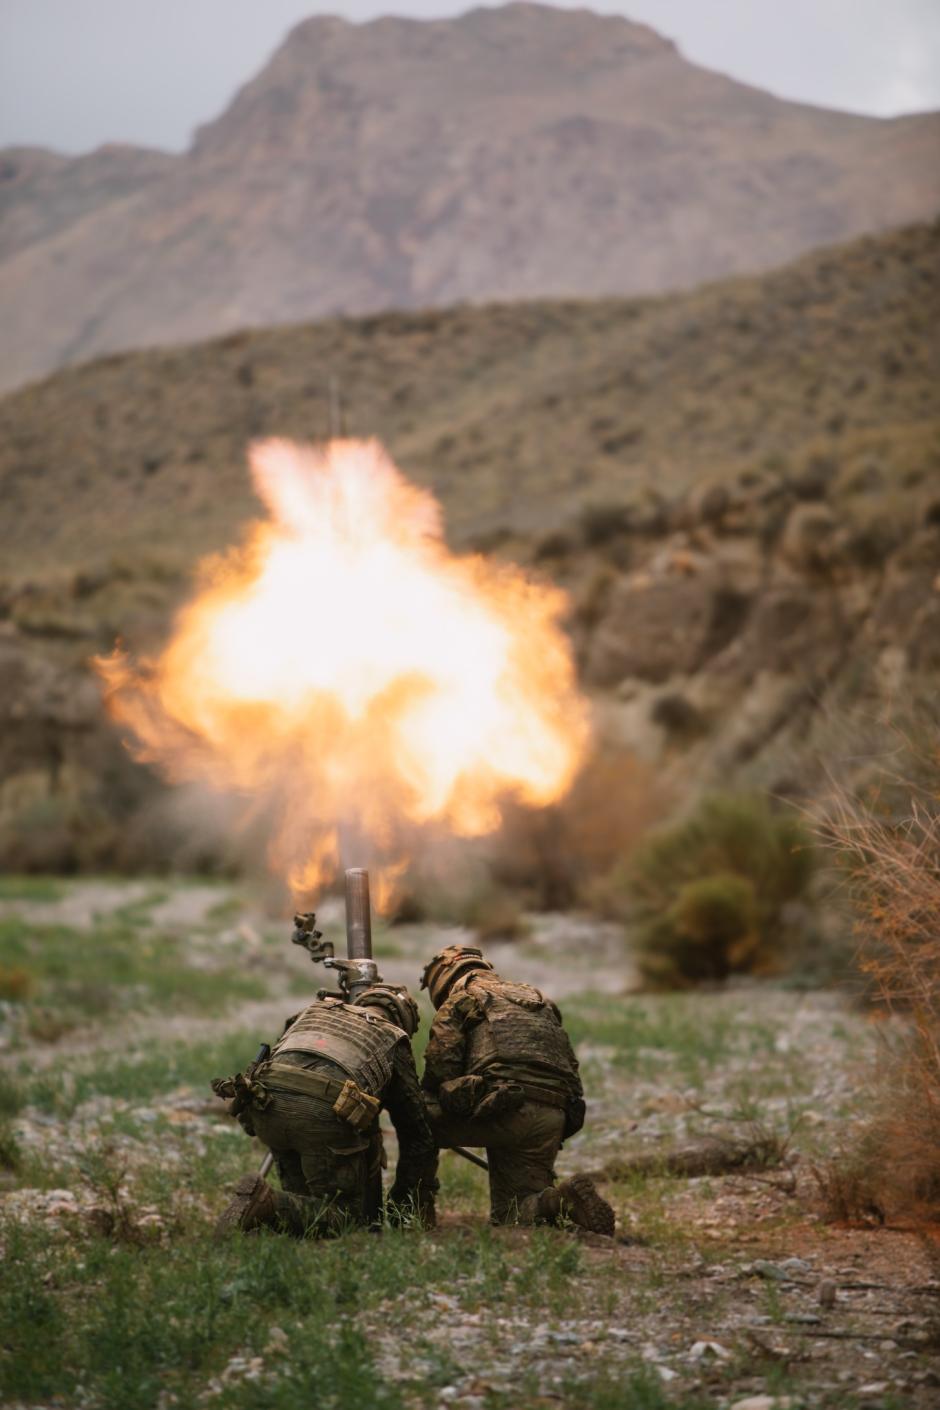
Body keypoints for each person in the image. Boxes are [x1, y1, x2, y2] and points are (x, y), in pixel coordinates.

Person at [212, 982, 437, 1236]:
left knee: (304, 1209)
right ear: (403, 1020)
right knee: (346, 1218)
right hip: (318, 1116)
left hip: (266, 1106)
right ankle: (267, 1205)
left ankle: (262, 1216)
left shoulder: (312, 1013)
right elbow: (416, 1131)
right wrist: (403, 1206)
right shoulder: (392, 1037)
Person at [419, 945, 615, 1233]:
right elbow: (567, 1063)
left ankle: (414, 1216)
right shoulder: (539, 1000)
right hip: (554, 1115)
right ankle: (560, 1200)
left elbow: (441, 1067)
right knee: (512, 1212)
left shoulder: (461, 999)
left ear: (442, 982)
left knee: (416, 1121)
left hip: (501, 1109)